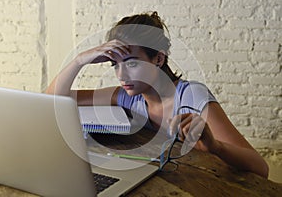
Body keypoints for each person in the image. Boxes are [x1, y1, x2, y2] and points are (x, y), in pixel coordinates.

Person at [46, 11, 269, 178]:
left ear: (158, 59)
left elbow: (261, 168)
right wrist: (80, 60)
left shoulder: (192, 97)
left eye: (132, 63)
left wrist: (215, 147)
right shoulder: (128, 96)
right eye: (115, 64)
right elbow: (52, 100)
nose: (121, 75)